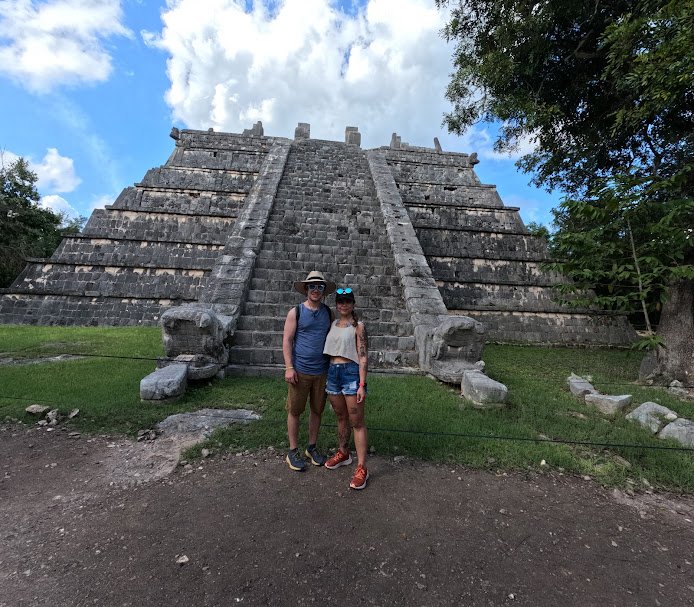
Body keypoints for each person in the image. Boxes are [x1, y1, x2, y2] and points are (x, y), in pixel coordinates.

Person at [282, 270, 336, 471]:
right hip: (300, 370)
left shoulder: (328, 313)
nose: (316, 290)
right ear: (306, 289)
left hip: (321, 371)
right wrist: (289, 367)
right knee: (295, 411)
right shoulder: (296, 312)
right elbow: (287, 340)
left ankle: (311, 447)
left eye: (319, 286)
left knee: (317, 410)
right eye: (312, 286)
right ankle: (293, 450)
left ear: (324, 291)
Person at [323, 287, 369, 490]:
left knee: (356, 421)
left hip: (351, 372)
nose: (343, 305)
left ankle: (361, 467)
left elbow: (363, 356)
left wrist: (361, 384)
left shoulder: (358, 326)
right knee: (341, 417)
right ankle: (343, 452)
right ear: (336, 304)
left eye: (347, 301)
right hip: (333, 372)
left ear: (353, 304)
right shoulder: (333, 323)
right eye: (340, 301)